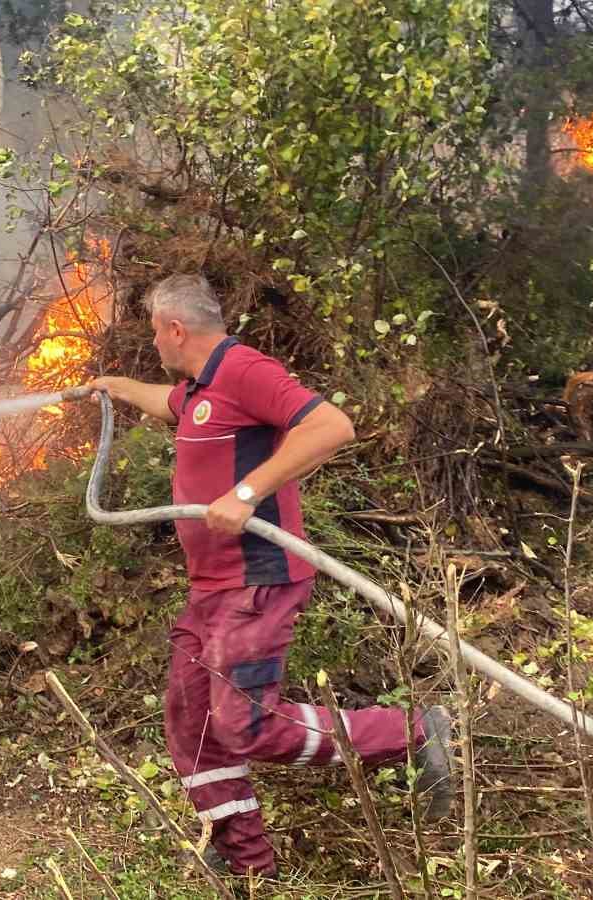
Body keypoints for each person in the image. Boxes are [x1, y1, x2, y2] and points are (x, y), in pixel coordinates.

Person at [88, 273, 453, 879]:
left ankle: (414, 732)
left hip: (257, 580)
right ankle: (246, 863)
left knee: (246, 724)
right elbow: (164, 401)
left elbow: (332, 425)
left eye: (155, 333)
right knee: (190, 718)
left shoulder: (244, 369)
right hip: (213, 587)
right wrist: (113, 386)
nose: (154, 344)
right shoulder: (202, 389)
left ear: (176, 330)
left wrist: (248, 491)